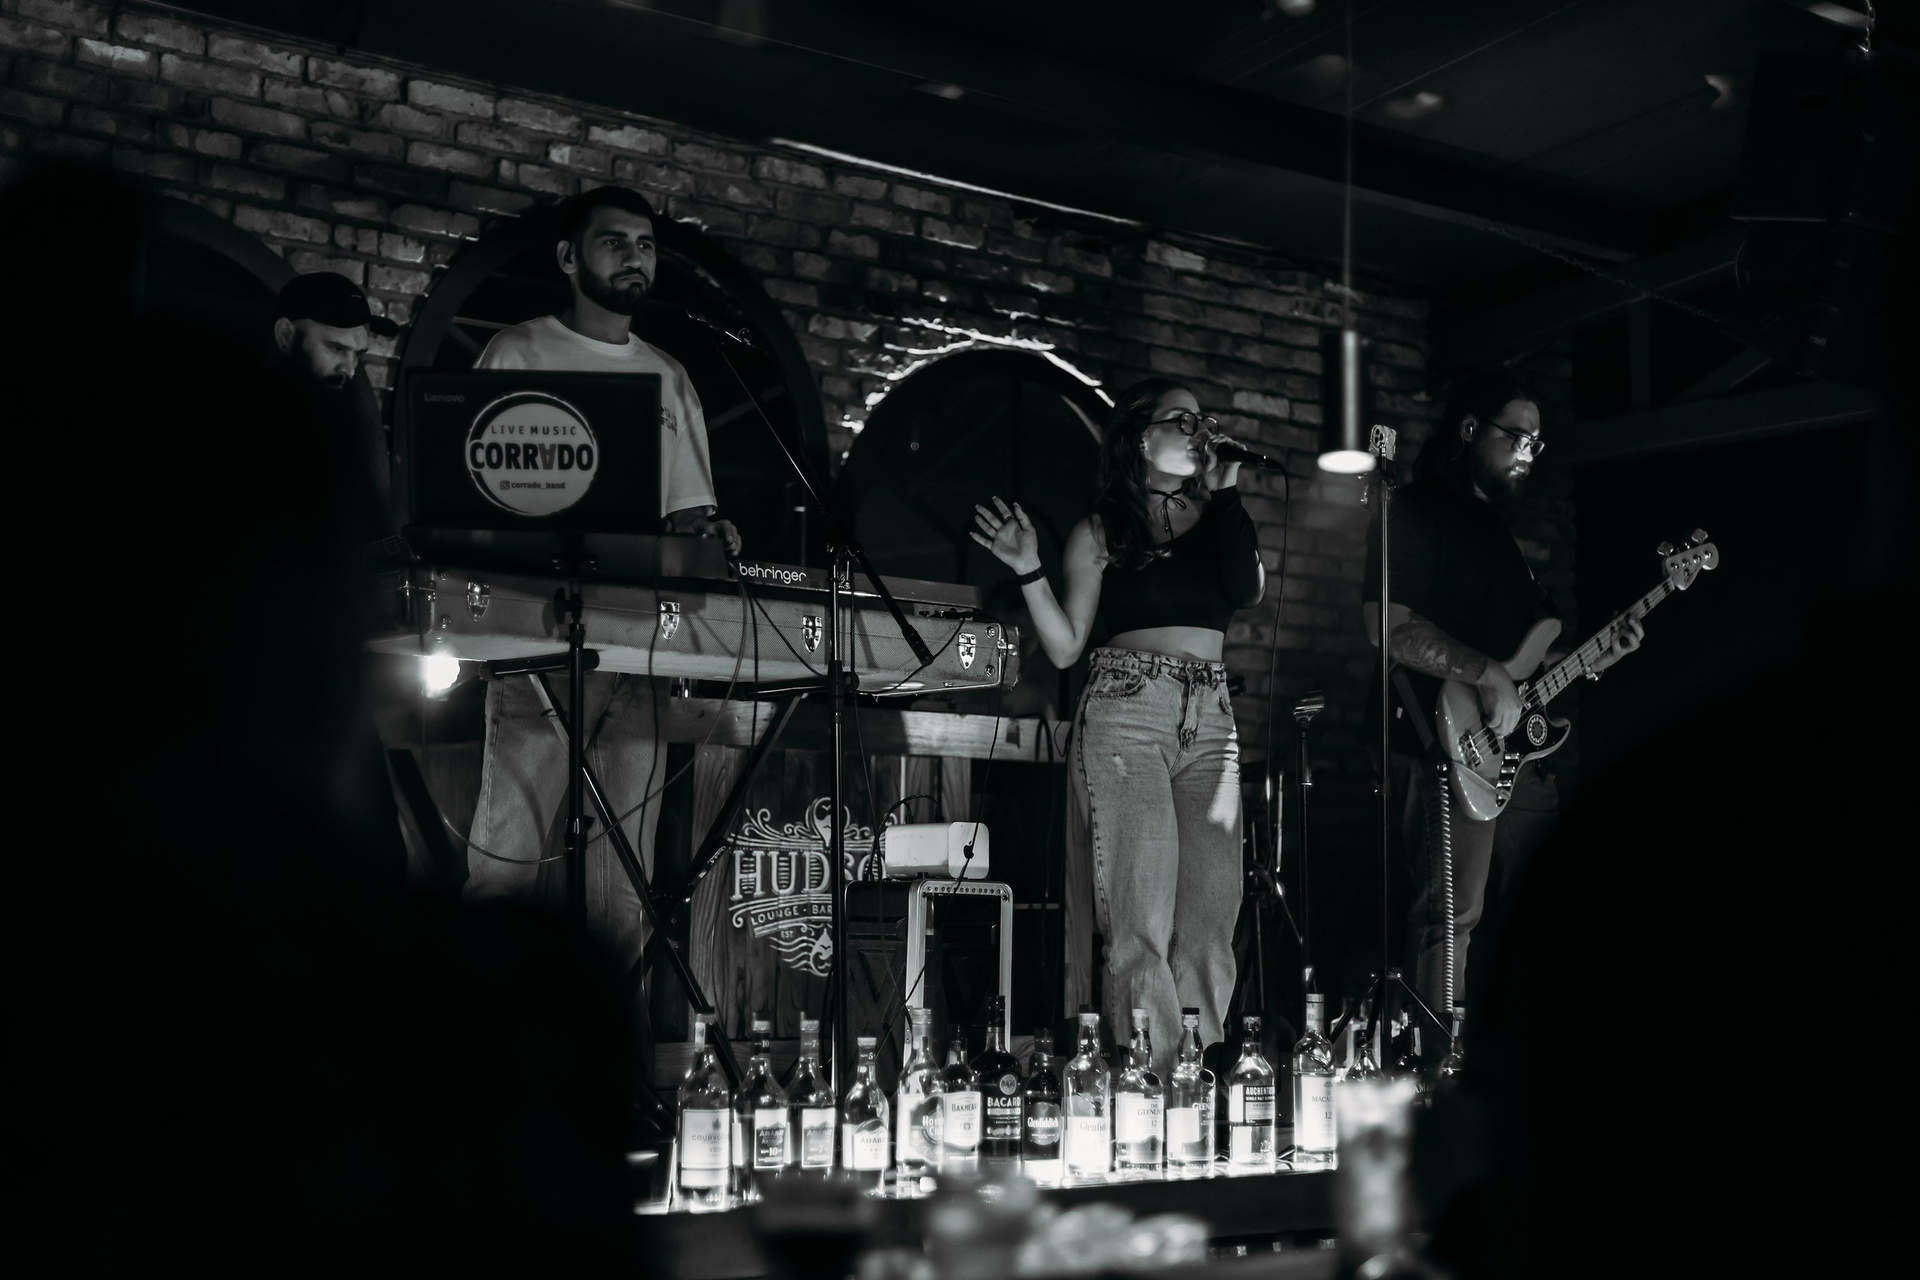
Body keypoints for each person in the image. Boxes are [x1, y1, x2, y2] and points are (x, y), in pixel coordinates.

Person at [464, 186, 738, 1007]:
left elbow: (689, 516)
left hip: (638, 648)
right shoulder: (518, 352)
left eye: (645, 245)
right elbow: (471, 496)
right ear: (568, 257)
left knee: (625, 887)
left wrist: (712, 536)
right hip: (536, 641)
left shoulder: (669, 376)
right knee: (506, 860)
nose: (633, 256)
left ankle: (599, 1057)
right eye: (613, 241)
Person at [970, 378, 1264, 1080]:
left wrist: (1227, 493)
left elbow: (1247, 590)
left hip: (1212, 720)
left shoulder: (1219, 516)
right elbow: (1066, 646)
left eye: (1203, 420)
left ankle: (1198, 1078)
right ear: (1139, 435)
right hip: (1129, 712)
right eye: (1182, 420)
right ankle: (1154, 1088)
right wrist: (1029, 570)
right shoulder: (1103, 529)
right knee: (1141, 922)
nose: (1199, 430)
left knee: (1210, 926)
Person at [1363, 369, 1643, 1027]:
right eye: (1517, 436)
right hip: (1440, 738)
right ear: (1470, 430)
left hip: (1514, 751)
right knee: (1452, 913)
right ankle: (1434, 1067)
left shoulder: (1496, 533)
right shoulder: (1418, 509)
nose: (1528, 452)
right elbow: (1385, 625)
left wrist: (1593, 657)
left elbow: (1523, 667)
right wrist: (1486, 674)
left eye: (1536, 443)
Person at [272, 271, 399, 532]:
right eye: (337, 348)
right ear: (285, 335)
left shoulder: (337, 432)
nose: (350, 370)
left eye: (357, 355)